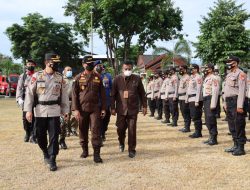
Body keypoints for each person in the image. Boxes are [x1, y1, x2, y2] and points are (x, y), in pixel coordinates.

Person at [24, 53, 69, 171]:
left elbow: (64, 95)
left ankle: (53, 158)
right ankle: (45, 152)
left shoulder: (59, 77)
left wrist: (65, 110)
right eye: (54, 62)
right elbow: (29, 94)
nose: (56, 65)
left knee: (54, 136)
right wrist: (28, 110)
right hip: (40, 111)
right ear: (47, 63)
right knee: (40, 135)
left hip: (54, 110)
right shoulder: (37, 76)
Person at [72, 55, 106, 163]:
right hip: (82, 109)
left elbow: (103, 95)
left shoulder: (98, 77)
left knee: (96, 130)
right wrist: (75, 109)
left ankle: (96, 154)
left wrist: (104, 108)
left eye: (92, 63)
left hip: (95, 108)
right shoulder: (78, 78)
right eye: (88, 63)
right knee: (82, 130)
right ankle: (85, 150)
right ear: (83, 65)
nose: (90, 65)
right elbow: (74, 95)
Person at [111, 60, 147, 158]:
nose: (128, 70)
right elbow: (113, 95)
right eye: (126, 69)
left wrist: (144, 106)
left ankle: (131, 149)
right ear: (122, 69)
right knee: (121, 129)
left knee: (132, 130)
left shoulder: (137, 79)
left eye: (129, 69)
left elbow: (142, 94)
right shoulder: (117, 79)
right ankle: (121, 142)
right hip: (121, 109)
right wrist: (112, 108)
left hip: (133, 109)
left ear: (132, 69)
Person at [223, 56, 247, 156]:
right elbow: (225, 90)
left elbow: (242, 90)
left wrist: (240, 105)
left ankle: (241, 148)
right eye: (227, 62)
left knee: (239, 125)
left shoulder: (240, 73)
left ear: (236, 63)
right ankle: (235, 145)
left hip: (236, 101)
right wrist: (225, 103)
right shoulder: (229, 75)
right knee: (231, 125)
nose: (228, 63)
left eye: (230, 62)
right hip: (229, 101)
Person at [16, 59, 37, 143]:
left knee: (35, 118)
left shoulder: (37, 75)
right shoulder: (23, 76)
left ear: (34, 65)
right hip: (25, 99)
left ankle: (33, 134)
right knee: (25, 118)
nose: (30, 65)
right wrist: (19, 98)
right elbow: (19, 88)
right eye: (28, 64)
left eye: (31, 64)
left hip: (35, 99)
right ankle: (27, 132)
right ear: (26, 65)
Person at [59, 66, 78, 150]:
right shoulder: (62, 80)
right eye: (68, 70)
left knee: (74, 116)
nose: (69, 71)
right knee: (66, 117)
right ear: (64, 71)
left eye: (70, 70)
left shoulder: (74, 80)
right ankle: (66, 131)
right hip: (64, 101)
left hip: (73, 100)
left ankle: (73, 129)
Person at [94, 61, 112, 143]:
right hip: (97, 103)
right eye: (97, 65)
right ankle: (100, 135)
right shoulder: (92, 76)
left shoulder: (108, 76)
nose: (99, 67)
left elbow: (112, 88)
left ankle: (103, 132)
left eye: (100, 65)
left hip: (107, 102)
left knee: (106, 119)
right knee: (98, 120)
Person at [202, 64, 220, 145]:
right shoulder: (206, 78)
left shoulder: (214, 78)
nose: (205, 70)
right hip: (206, 99)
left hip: (210, 99)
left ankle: (214, 138)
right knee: (207, 120)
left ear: (211, 69)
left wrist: (213, 104)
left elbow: (215, 91)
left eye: (206, 68)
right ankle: (210, 136)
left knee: (211, 119)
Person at [186, 64, 203, 138]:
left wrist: (197, 101)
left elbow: (199, 89)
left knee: (196, 116)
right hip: (191, 99)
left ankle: (198, 132)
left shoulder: (198, 77)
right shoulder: (191, 77)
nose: (190, 70)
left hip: (195, 99)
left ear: (196, 69)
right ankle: (196, 131)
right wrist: (187, 98)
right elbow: (188, 89)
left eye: (192, 69)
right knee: (193, 116)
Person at [178, 65, 191, 133]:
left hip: (184, 97)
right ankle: (185, 126)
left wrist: (187, 98)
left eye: (181, 69)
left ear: (185, 70)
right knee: (183, 112)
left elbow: (188, 88)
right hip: (180, 97)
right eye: (180, 69)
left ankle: (187, 127)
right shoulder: (182, 77)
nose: (180, 70)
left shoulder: (187, 77)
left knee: (186, 112)